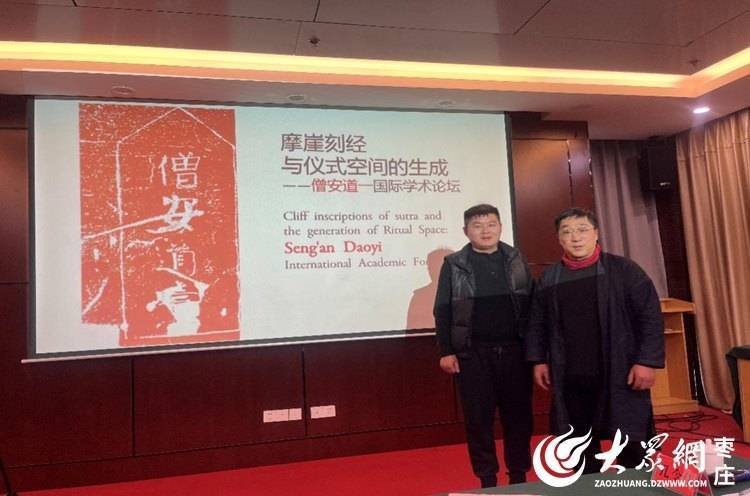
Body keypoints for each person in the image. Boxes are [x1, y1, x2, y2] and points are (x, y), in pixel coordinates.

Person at [525, 207, 664, 472]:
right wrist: (538, 360)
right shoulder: (550, 278)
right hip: (571, 376)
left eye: (582, 230)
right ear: (559, 238)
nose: (575, 237)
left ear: (596, 233)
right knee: (580, 446)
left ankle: (638, 488)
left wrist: (647, 361)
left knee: (631, 443)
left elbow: (650, 318)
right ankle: (588, 486)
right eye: (567, 232)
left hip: (620, 371)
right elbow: (537, 323)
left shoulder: (624, 270)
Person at [434, 204, 534, 488]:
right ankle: (487, 479)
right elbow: (443, 309)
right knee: (478, 421)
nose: (485, 231)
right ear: (466, 231)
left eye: (491, 224)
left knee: (519, 418)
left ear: (500, 227)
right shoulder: (454, 264)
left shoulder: (516, 259)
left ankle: (518, 476)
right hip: (473, 354)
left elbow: (531, 304)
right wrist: (446, 351)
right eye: (477, 226)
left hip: (516, 352)